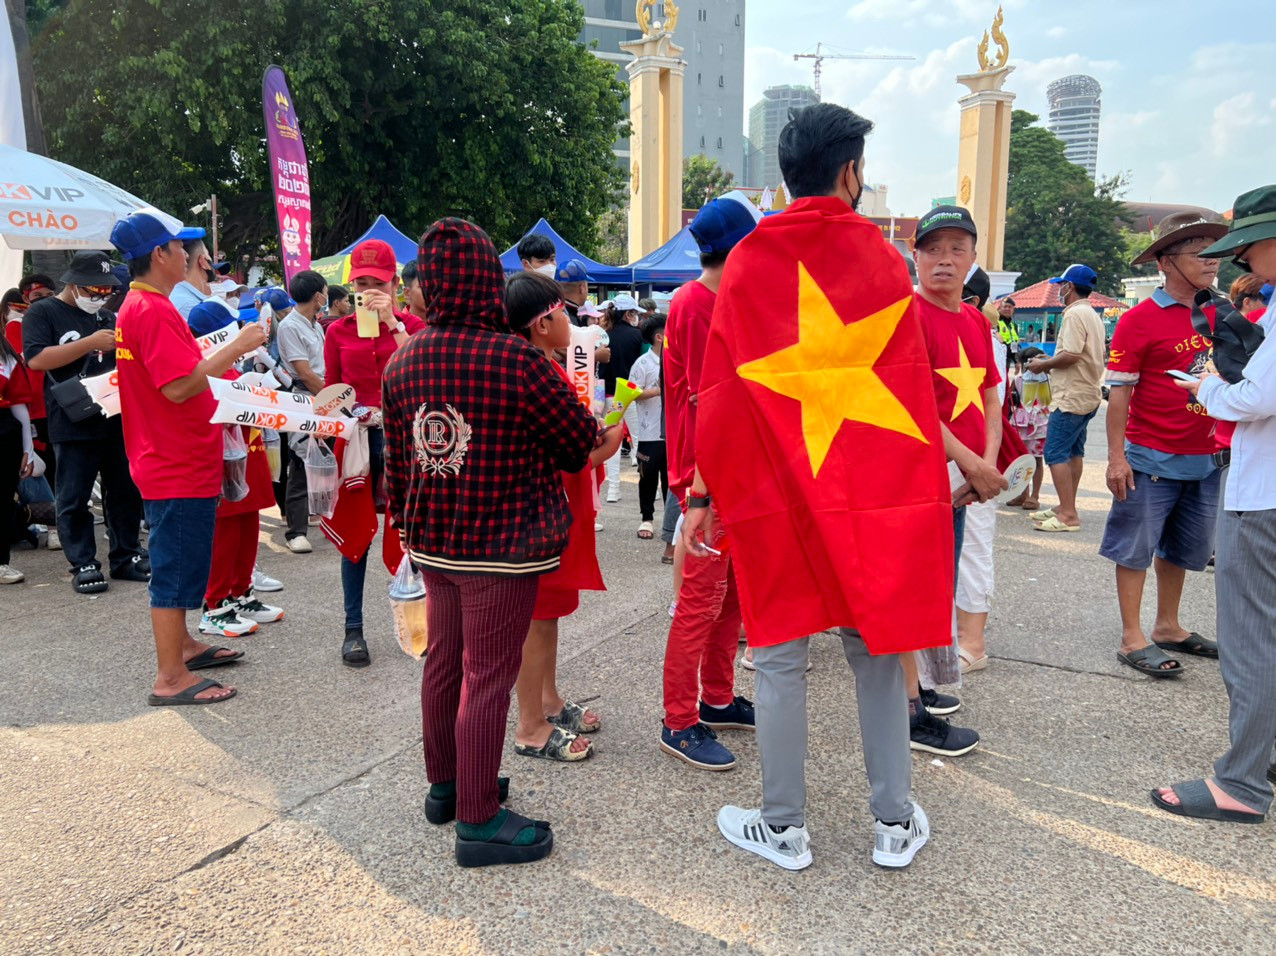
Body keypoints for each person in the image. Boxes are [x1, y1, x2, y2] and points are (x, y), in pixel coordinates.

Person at [699, 104, 961, 871]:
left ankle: (783, 826)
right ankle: (893, 822)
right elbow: (910, 395)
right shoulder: (883, 264)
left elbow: (718, 398)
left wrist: (709, 495)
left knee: (778, 653)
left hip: (778, 494)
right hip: (867, 495)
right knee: (875, 650)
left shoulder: (746, 263)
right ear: (850, 172)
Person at [382, 218, 600, 867]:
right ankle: (478, 819)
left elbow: (397, 462)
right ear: (487, 279)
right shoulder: (518, 360)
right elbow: (574, 443)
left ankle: (447, 787)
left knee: (446, 665)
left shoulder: (404, 358)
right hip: (502, 545)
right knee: (487, 679)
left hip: (435, 541)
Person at [1153, 184, 1276, 823]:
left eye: (1251, 247)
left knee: (1253, 635)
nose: (1243, 263)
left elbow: (1254, 400)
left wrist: (1207, 385)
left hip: (1263, 496)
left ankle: (1244, 783)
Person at [110, 210, 267, 706]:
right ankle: (170, 677)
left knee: (185, 562)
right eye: (179, 248)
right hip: (173, 461)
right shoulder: (151, 310)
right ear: (159, 255)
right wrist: (238, 344)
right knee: (175, 567)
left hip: (175, 455)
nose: (189, 256)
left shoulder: (145, 305)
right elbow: (179, 386)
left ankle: (183, 648)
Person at [1101, 212, 1229, 678]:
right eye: (1199, 251)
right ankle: (1131, 634)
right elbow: (1120, 393)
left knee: (1183, 549)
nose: (1211, 260)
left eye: (1214, 250)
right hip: (1151, 455)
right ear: (1166, 261)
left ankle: (1168, 625)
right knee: (1134, 546)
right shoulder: (1139, 320)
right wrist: (1116, 457)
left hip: (1207, 456)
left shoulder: (1222, 313)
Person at [659, 192, 762, 772]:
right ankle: (679, 720)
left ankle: (717, 697)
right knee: (700, 602)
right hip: (707, 477)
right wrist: (701, 489)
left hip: (733, 475)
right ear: (741, 246)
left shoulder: (721, 300)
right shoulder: (697, 305)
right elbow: (710, 401)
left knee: (732, 599)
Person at [503, 270, 623, 764]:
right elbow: (559, 459)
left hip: (555, 507)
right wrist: (608, 443)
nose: (567, 319)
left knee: (548, 615)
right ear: (541, 323)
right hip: (543, 508)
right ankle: (529, 724)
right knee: (536, 619)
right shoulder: (532, 369)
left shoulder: (541, 363)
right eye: (559, 311)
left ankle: (547, 700)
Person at [909, 204, 1004, 722]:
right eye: (933, 249)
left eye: (956, 249)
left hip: (967, 474)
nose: (944, 259)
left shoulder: (972, 318)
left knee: (943, 578)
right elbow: (915, 406)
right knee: (920, 584)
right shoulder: (907, 316)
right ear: (914, 255)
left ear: (971, 258)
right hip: (924, 473)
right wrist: (975, 465)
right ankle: (911, 701)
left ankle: (926, 687)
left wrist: (985, 466)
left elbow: (990, 392)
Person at [22, 252, 150, 594]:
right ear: (74, 283)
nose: (102, 296)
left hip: (115, 415)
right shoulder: (43, 311)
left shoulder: (107, 316)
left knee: (123, 490)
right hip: (73, 418)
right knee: (74, 495)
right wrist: (89, 343)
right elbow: (35, 359)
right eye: (96, 289)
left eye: (108, 290)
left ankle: (126, 554)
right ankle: (83, 561)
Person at [322, 238, 424, 667]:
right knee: (356, 536)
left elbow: (423, 374)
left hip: (404, 441)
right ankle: (353, 630)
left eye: (376, 282)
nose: (368, 290)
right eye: (360, 283)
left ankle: (419, 624)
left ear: (395, 284)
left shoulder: (413, 329)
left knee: (414, 535)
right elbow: (329, 390)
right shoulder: (336, 331)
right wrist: (336, 423)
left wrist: (392, 322)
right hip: (356, 442)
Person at [183, 302, 285, 638]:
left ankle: (241, 593)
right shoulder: (203, 368)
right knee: (225, 532)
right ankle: (215, 605)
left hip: (249, 454)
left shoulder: (231, 367)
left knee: (248, 522)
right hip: (224, 460)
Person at [1025, 264, 1107, 532]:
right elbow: (1077, 354)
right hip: (1087, 392)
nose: (1059, 290)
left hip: (1071, 396)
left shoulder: (1074, 315)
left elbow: (1071, 355)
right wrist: (1049, 360)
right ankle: (1065, 505)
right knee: (1074, 452)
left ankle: (1068, 514)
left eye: (1062, 285)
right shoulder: (1091, 314)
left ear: (1069, 287)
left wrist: (1043, 365)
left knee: (1055, 453)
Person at [277, 269, 328, 553]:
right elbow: (305, 373)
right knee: (300, 461)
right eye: (324, 291)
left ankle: (320, 515)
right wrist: (331, 399)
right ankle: (295, 531)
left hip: (321, 394)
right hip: (304, 397)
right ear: (318, 295)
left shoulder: (315, 325)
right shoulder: (290, 326)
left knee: (323, 459)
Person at [597, 294, 644, 503]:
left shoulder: (603, 334)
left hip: (608, 396)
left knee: (612, 441)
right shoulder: (637, 335)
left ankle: (613, 489)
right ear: (628, 313)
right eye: (634, 312)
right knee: (639, 440)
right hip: (631, 395)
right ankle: (648, 483)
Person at [0, 309, 35, 584]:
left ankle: (1, 563)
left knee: (3, 500)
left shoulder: (6, 357)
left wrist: (28, 448)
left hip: (4, 432)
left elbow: (19, 405)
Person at [630, 314, 667, 540]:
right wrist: (659, 391)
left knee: (673, 479)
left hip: (673, 431)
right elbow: (632, 393)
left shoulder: (677, 359)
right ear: (659, 337)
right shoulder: (643, 363)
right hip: (650, 430)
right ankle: (647, 518)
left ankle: (673, 521)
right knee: (648, 476)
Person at [1007, 346, 1050, 510]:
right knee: (1022, 460)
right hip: (1020, 424)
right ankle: (1023, 493)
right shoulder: (1018, 380)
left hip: (1040, 424)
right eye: (1027, 364)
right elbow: (1011, 400)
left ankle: (1035, 495)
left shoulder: (1049, 380)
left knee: (1038, 459)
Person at [170, 238, 232, 319]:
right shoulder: (190, 307)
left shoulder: (183, 298)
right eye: (208, 254)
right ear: (202, 261)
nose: (211, 260)